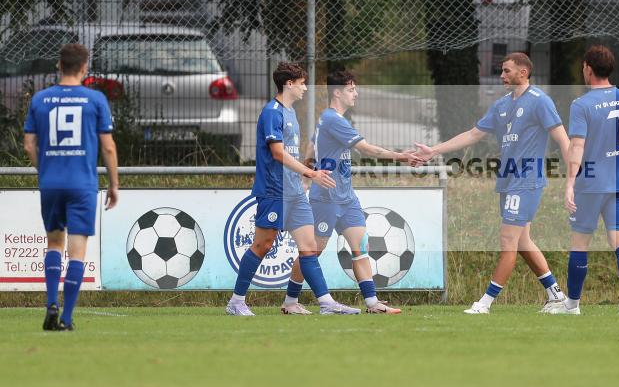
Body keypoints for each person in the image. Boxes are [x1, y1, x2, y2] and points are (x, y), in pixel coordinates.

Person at [413, 53, 570, 314]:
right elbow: (473, 134)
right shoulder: (501, 105)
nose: (502, 76)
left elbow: (563, 140)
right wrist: (433, 151)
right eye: (502, 71)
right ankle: (557, 296)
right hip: (508, 181)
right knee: (522, 242)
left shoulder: (540, 101)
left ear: (523, 73)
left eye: (507, 71)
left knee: (508, 240)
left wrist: (572, 179)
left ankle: (485, 302)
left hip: (526, 180)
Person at [225, 62, 360, 316]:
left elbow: (295, 154)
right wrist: (310, 173)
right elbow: (278, 153)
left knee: (309, 247)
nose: (305, 88)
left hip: (296, 193)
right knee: (263, 245)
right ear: (289, 84)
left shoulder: (291, 114)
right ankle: (236, 301)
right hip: (275, 191)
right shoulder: (272, 113)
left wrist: (304, 178)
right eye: (301, 84)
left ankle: (323, 303)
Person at [24, 43, 119, 331]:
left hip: (51, 182)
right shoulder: (95, 99)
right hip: (82, 184)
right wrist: (114, 184)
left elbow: (29, 144)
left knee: (54, 243)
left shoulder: (40, 99)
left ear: (58, 66)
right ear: (84, 68)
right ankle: (66, 318)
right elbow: (108, 147)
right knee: (77, 250)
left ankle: (51, 303)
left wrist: (45, 170)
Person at [308, 69, 417, 314]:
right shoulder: (333, 118)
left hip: (346, 198)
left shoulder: (330, 119)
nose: (355, 93)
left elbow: (311, 145)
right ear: (337, 92)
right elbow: (369, 150)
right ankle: (291, 300)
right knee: (312, 251)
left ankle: (372, 303)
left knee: (361, 247)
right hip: (327, 197)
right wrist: (401, 156)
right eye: (351, 89)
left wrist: (309, 170)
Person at [549, 45, 619, 315]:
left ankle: (573, 305)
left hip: (589, 184)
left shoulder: (582, 104)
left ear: (588, 69)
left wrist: (569, 183)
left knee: (580, 243)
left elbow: (576, 146)